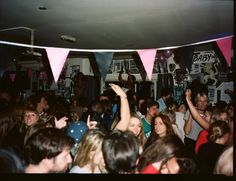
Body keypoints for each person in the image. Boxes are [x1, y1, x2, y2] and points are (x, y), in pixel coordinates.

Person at [184, 90, 209, 158]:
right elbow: (186, 131)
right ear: (196, 102)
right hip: (190, 142)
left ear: (207, 103)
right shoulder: (189, 111)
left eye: (204, 101)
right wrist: (191, 114)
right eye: (200, 101)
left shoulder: (208, 114)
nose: (202, 103)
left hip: (203, 144)